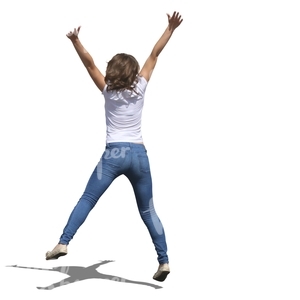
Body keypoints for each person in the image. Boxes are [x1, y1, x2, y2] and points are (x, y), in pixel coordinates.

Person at [45, 11, 183, 282]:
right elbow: (154, 55)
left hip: (113, 154)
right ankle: (164, 260)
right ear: (133, 72)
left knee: (88, 199)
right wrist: (170, 29)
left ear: (113, 71)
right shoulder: (140, 87)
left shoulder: (107, 89)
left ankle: (63, 242)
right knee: (148, 210)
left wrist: (75, 41)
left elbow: (89, 65)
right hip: (139, 156)